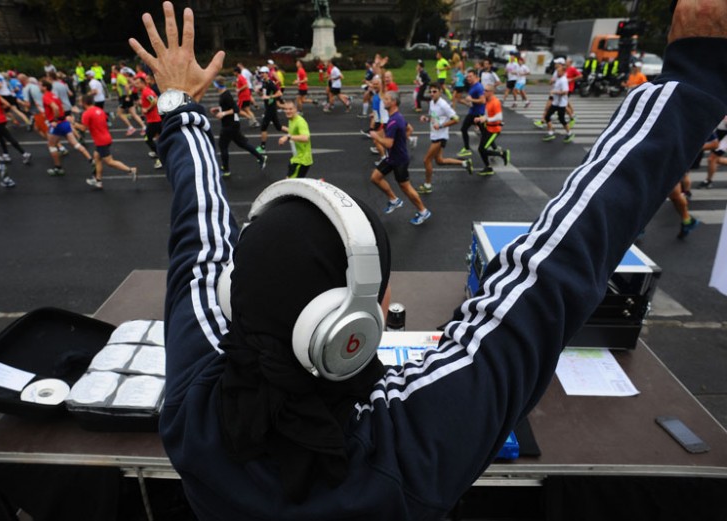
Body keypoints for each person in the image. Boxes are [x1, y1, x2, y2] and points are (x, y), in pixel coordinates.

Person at [128, 1, 727, 519]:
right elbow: (557, 261)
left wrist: (178, 104)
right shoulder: (412, 444)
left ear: (235, 295)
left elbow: (198, 233)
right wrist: (699, 71)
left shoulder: (191, 402)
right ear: (352, 330)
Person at [367, 90, 431, 225]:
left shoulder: (394, 121)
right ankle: (394, 200)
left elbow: (388, 143)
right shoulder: (397, 117)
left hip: (399, 160)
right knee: (375, 177)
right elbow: (410, 128)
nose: (384, 101)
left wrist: (376, 137)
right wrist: (402, 139)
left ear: (394, 102)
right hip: (392, 157)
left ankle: (423, 211)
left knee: (406, 188)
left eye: (387, 99)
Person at [74, 94, 138, 189]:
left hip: (101, 141)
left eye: (80, 102)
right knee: (97, 157)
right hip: (106, 137)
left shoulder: (86, 114)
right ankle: (98, 180)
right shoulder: (99, 110)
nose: (79, 104)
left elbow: (83, 128)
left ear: (84, 103)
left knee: (109, 162)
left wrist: (73, 123)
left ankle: (130, 170)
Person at [418, 83, 472, 194]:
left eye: (434, 91)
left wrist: (442, 126)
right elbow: (434, 118)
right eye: (430, 91)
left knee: (426, 160)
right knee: (440, 161)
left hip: (440, 137)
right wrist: (426, 119)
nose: (432, 94)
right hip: (435, 135)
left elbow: (456, 119)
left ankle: (428, 185)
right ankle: (464, 163)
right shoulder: (432, 102)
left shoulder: (443, 105)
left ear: (440, 92)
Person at [210, 76, 267, 177]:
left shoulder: (226, 95)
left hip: (230, 125)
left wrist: (223, 113)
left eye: (214, 84)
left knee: (222, 146)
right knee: (242, 144)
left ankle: (226, 170)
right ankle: (261, 158)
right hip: (232, 124)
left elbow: (235, 109)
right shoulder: (223, 94)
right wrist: (218, 108)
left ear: (217, 85)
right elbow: (227, 106)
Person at [41, 79, 92, 176]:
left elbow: (55, 107)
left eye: (40, 85)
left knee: (51, 146)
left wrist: (55, 120)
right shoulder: (54, 95)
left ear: (45, 87)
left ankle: (58, 168)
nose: (39, 87)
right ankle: (91, 160)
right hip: (64, 122)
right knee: (75, 144)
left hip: (57, 124)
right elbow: (61, 107)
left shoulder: (46, 96)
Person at [474, 85, 510, 176]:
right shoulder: (488, 101)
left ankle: (502, 154)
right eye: (484, 90)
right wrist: (480, 118)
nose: (484, 92)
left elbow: (499, 117)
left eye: (486, 90)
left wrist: (486, 119)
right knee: (481, 149)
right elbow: (487, 114)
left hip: (494, 130)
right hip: (488, 128)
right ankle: (488, 167)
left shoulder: (495, 102)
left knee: (482, 149)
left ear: (491, 92)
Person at [541, 59, 574, 143]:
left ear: (563, 72)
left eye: (559, 72)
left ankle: (570, 133)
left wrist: (554, 92)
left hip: (561, 104)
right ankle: (550, 133)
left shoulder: (563, 80)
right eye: (557, 71)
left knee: (561, 119)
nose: (557, 73)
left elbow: (565, 92)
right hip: (555, 102)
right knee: (547, 116)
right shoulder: (559, 78)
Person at [279, 102, 313, 178]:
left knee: (290, 182)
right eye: (286, 109)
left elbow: (305, 138)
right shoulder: (291, 120)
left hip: (302, 160)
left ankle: (318, 182)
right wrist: (281, 128)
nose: (288, 111)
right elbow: (292, 131)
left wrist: (287, 137)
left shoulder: (300, 122)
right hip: (296, 158)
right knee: (293, 182)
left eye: (290, 109)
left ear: (296, 109)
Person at [457, 69, 485, 158]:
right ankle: (467, 148)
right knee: (465, 129)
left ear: (476, 77)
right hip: (473, 112)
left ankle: (467, 149)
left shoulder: (478, 87)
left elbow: (482, 100)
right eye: (467, 77)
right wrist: (464, 102)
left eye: (470, 76)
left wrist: (471, 100)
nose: (468, 78)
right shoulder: (472, 86)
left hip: (478, 113)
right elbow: (471, 101)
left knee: (483, 132)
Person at [257, 66, 283, 152]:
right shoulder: (264, 82)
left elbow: (279, 93)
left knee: (263, 127)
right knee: (278, 127)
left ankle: (262, 147)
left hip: (271, 108)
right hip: (268, 107)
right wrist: (258, 92)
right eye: (260, 73)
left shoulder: (270, 83)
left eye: (263, 73)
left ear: (267, 73)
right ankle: (293, 132)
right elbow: (263, 94)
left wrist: (269, 97)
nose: (261, 74)